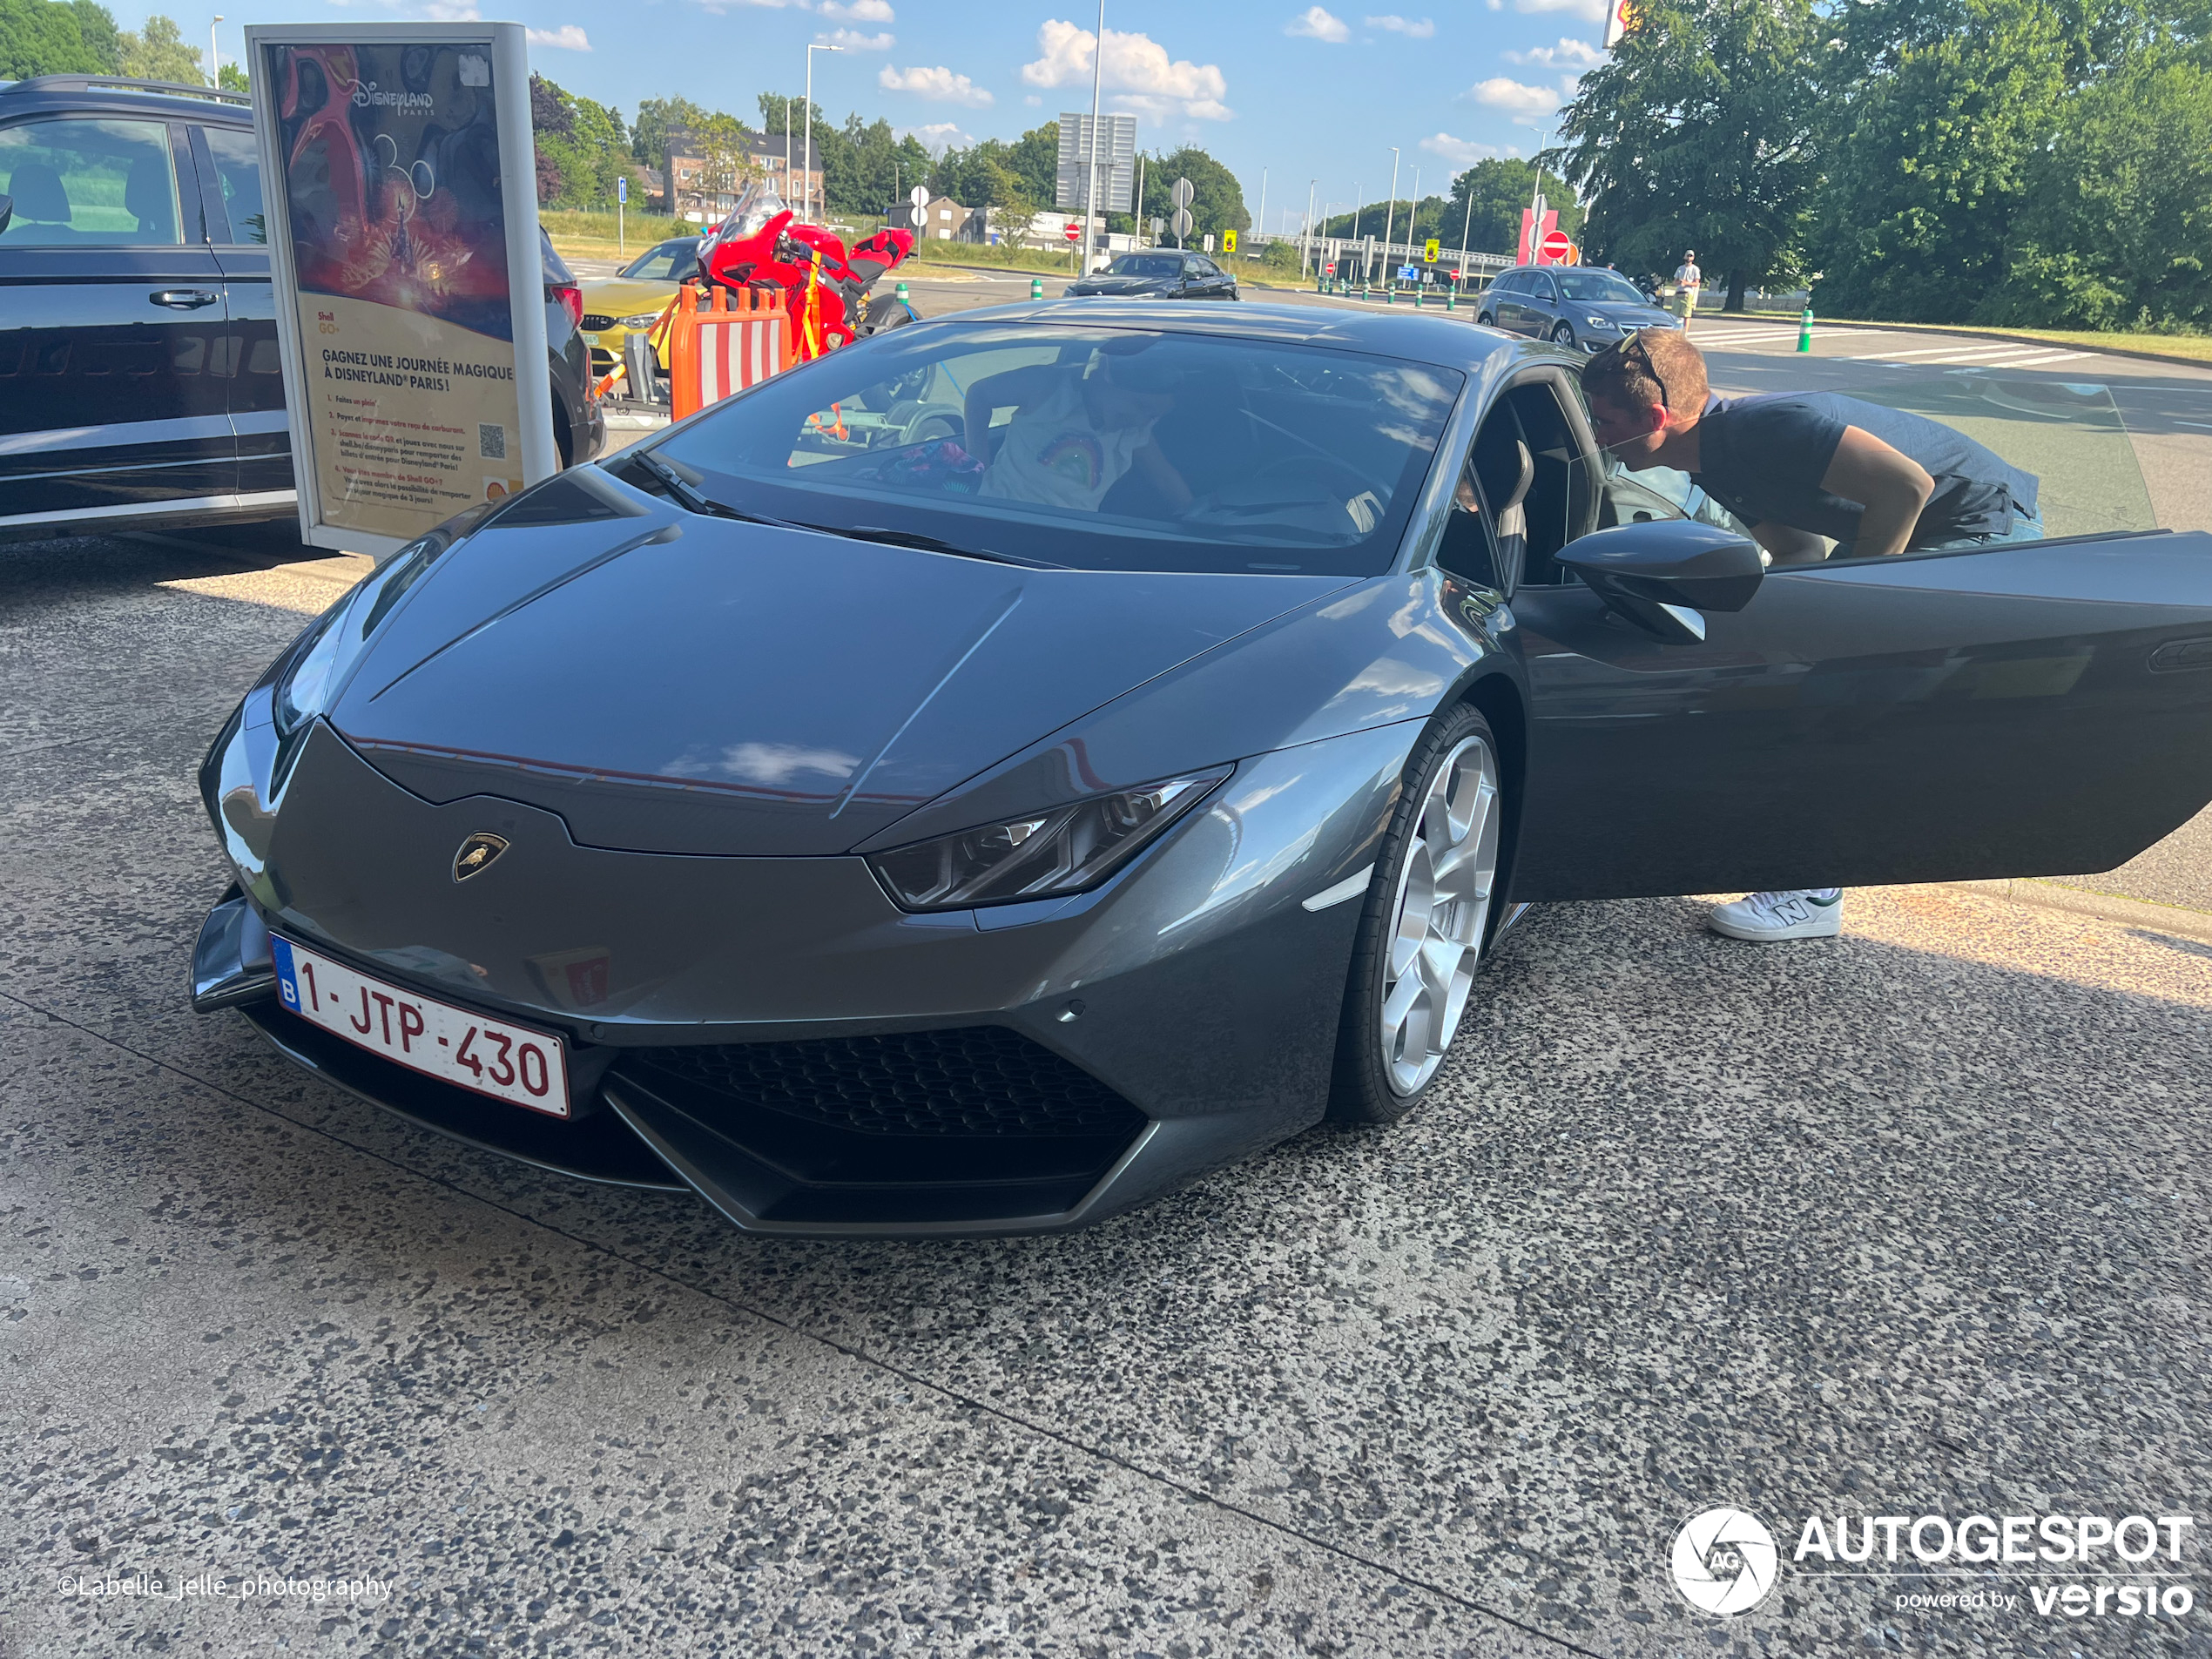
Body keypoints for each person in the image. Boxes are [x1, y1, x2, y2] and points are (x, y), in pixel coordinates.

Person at [1580, 327, 2045, 943]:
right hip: (1905, 521)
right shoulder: (1712, 463)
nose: (1596, 433)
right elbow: (1798, 548)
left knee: (1849, 697)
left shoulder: (1766, 429)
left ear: (1658, 418)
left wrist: (1850, 615)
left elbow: (1908, 486)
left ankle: (1814, 889)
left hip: (1977, 522)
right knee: (1804, 676)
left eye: (1604, 420)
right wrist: (1779, 642)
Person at [972, 346, 1193, 514]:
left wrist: (1195, 515)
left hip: (1066, 537)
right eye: (1140, 405)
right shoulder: (1048, 387)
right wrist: (977, 468)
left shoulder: (1133, 433)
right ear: (1105, 377)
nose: (1141, 420)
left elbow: (1164, 478)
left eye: (1152, 417)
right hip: (997, 517)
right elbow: (978, 395)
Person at [1670, 249, 1702, 327]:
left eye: (1691, 256)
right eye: (1688, 255)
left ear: (1693, 258)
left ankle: (1685, 333)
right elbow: (1674, 282)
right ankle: (1675, 331)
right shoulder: (1680, 268)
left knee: (1686, 315)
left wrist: (1686, 283)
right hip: (1678, 293)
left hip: (1687, 294)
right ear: (1684, 257)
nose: (1689, 258)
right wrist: (1680, 282)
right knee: (1675, 315)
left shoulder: (1695, 269)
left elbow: (1696, 283)